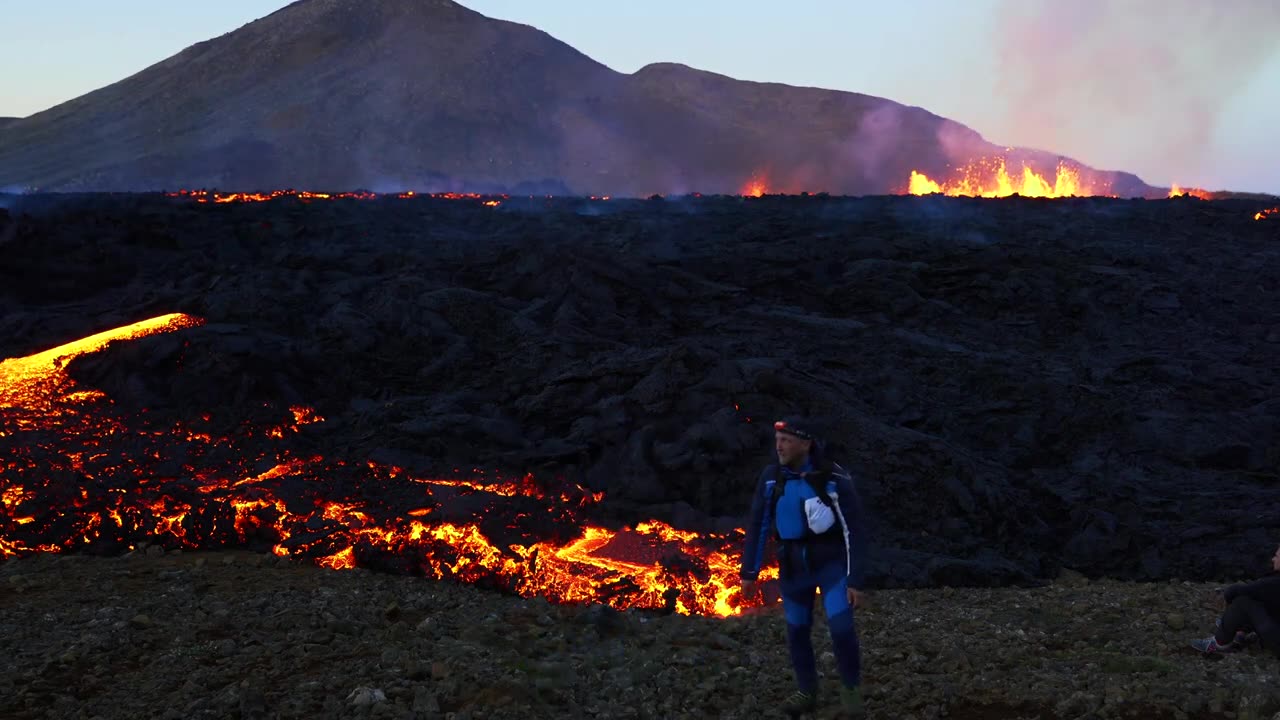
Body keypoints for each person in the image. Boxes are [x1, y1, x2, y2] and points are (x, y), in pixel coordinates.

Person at [740, 416, 870, 719]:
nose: (779, 446)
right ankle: (806, 691)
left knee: (841, 628)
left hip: (831, 566)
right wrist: (749, 573)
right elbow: (758, 524)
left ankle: (851, 692)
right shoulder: (772, 478)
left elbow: (854, 529)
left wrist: (855, 580)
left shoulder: (833, 478)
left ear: (806, 443)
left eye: (786, 440)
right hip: (793, 568)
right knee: (797, 631)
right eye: (777, 440)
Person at [1189, 543, 1280, 657]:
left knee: (1242, 602)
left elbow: (1236, 591)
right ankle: (1238, 630)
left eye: (1277, 556)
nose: (1273, 559)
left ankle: (1218, 643)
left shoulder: (1275, 583)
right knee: (1260, 599)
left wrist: (1227, 597)